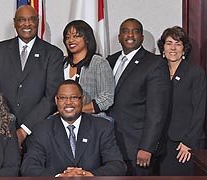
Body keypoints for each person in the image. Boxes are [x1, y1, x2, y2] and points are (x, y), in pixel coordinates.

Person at [0, 5, 64, 149]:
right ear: (15, 23)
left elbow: (51, 97)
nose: (27, 24)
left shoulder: (53, 54)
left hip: (38, 130)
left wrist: (24, 130)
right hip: (3, 128)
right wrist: (8, 124)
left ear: (38, 21)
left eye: (31, 19)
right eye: (22, 20)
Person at [106, 18, 171, 175]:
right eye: (125, 31)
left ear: (142, 37)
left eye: (135, 31)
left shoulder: (155, 63)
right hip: (110, 147)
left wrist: (147, 147)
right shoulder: (109, 60)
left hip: (138, 150)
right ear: (119, 37)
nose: (130, 35)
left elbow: (157, 111)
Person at [21, 80, 126, 177]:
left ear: (83, 100)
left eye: (74, 97)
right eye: (63, 98)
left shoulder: (102, 127)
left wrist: (89, 175)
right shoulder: (42, 130)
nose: (68, 102)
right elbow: (28, 167)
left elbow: (117, 165)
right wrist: (59, 177)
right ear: (56, 100)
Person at [157, 26, 206, 176]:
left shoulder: (195, 73)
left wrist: (189, 143)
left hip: (184, 143)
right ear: (163, 47)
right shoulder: (156, 72)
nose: (173, 48)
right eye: (169, 43)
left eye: (178, 44)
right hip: (160, 142)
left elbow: (200, 110)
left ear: (184, 49)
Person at [62, 20, 114, 119]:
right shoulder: (62, 63)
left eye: (76, 36)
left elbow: (107, 98)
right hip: (63, 120)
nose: (71, 40)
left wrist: (76, 110)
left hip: (92, 120)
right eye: (67, 37)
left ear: (87, 39)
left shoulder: (98, 63)